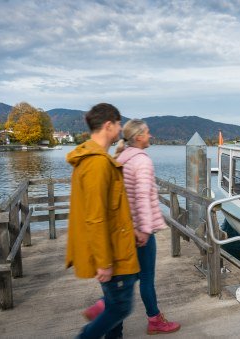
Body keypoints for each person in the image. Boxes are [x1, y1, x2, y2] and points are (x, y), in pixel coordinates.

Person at [84, 119, 181, 335]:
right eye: (147, 132)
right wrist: (146, 230)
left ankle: (106, 311)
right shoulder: (142, 161)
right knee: (145, 278)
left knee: (127, 276)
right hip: (140, 231)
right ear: (138, 137)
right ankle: (154, 320)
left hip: (124, 229)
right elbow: (142, 198)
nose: (151, 136)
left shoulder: (120, 157)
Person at [66, 103, 140, 339]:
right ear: (109, 125)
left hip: (116, 245)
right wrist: (104, 262)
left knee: (112, 305)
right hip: (113, 252)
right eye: (118, 125)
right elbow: (96, 217)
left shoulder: (94, 158)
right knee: (120, 307)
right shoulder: (97, 163)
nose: (120, 130)